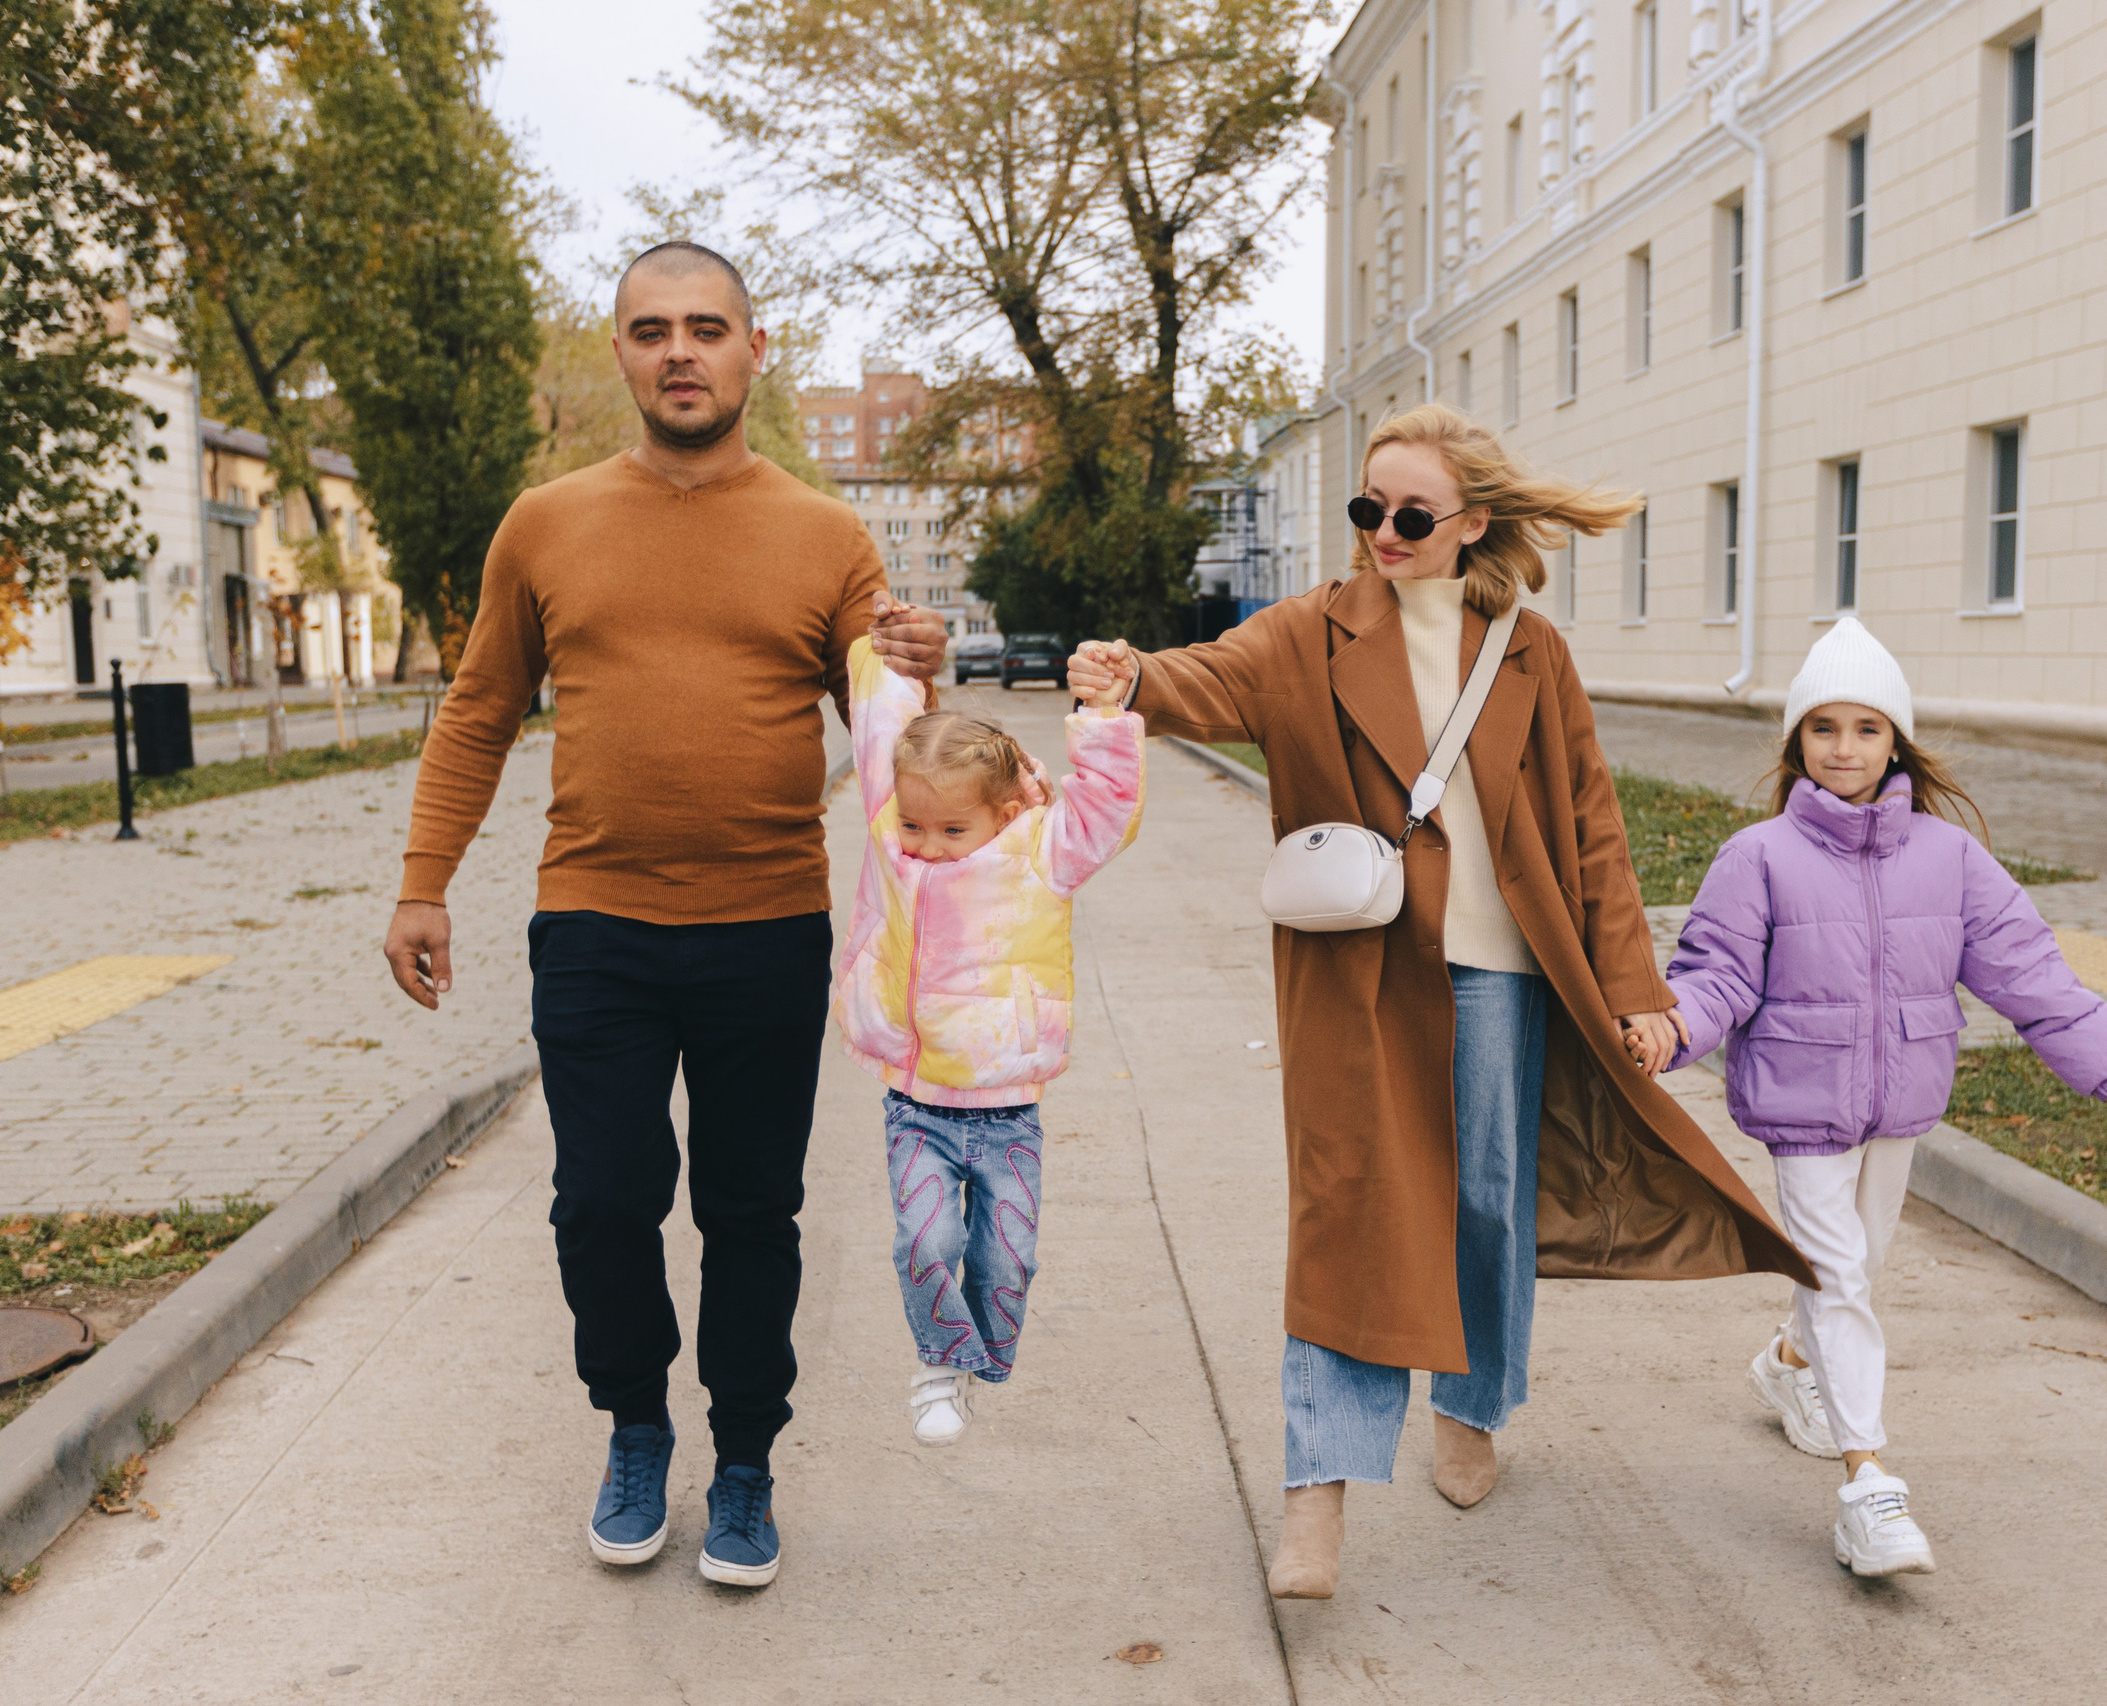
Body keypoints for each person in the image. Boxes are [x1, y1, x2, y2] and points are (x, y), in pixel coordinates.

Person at [1069, 404, 1812, 1601]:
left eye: (1411, 515)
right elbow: (1194, 682)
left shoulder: (1530, 647)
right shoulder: (1311, 629)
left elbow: (1591, 826)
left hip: (1507, 972)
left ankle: (1470, 1403)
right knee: (1348, 1206)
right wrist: (1128, 676)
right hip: (1359, 970)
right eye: (1368, 509)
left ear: (1470, 522)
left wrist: (1638, 987)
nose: (1384, 533)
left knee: (1486, 1202)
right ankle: (1319, 1485)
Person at [379, 242, 947, 1590]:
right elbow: (477, 709)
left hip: (766, 928)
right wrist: (422, 880)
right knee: (603, 1201)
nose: (679, 350)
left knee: (754, 1210)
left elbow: (893, 731)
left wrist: (923, 666)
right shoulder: (546, 520)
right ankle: (636, 1426)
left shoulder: (825, 533)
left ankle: (744, 1457)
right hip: (595, 925)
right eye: (651, 330)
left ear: (756, 348)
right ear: (621, 352)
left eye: (706, 327)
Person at [1649, 615, 2107, 1578]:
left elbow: (2025, 966)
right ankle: (1869, 1485)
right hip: (1802, 1105)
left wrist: (2102, 1059)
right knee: (1838, 1276)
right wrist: (1674, 1027)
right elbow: (1717, 972)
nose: (1844, 750)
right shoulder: (1757, 857)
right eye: (1823, 729)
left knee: (1856, 1267)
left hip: (1902, 1100)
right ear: (1797, 742)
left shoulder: (1950, 857)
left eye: (1866, 729)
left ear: (1898, 742)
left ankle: (1788, 1368)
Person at [830, 605, 1144, 1445]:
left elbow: (1108, 808)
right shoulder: (892, 833)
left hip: (1007, 1106)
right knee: (926, 1236)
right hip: (916, 1100)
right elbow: (882, 731)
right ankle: (938, 1361)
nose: (925, 846)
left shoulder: (1043, 847)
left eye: (951, 830)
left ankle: (982, 1358)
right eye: (914, 825)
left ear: (1005, 812)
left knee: (1007, 1258)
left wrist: (1104, 718)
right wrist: (887, 656)